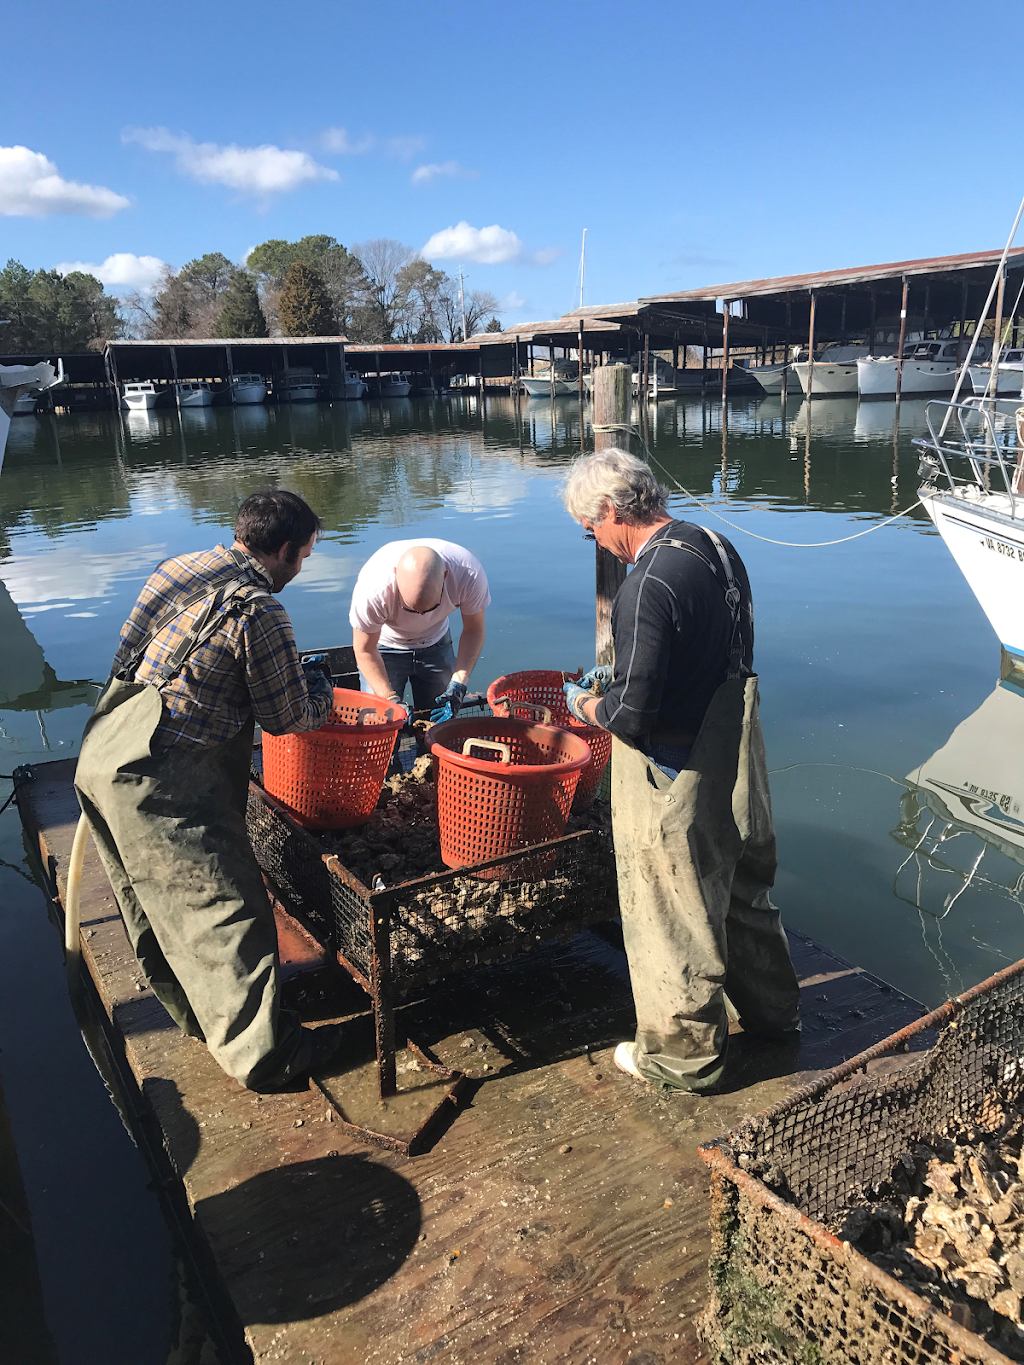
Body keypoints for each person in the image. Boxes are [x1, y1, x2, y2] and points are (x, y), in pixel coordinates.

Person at [74, 489, 346, 1092]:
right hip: (162, 782)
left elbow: (127, 655)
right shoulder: (261, 611)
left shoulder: (180, 567)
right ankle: (266, 1057)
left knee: (149, 902)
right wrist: (320, 690)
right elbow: (285, 718)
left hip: (105, 750)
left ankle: (201, 1017)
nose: (301, 568)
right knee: (227, 908)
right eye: (303, 555)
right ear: (283, 549)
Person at [559, 448, 800, 1092]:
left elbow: (632, 716)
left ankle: (680, 1058)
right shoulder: (713, 547)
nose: (595, 540)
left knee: (672, 913)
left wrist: (584, 703)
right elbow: (712, 651)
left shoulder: (645, 585)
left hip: (674, 773)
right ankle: (776, 1015)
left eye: (590, 528)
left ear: (611, 511)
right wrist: (626, 673)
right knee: (744, 890)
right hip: (737, 758)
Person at [350, 539, 489, 721]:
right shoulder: (373, 589)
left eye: (431, 608)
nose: (420, 616)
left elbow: (474, 629)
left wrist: (459, 681)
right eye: (409, 608)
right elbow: (364, 649)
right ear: (395, 574)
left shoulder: (468, 575)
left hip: (436, 642)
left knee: (439, 718)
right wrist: (389, 698)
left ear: (445, 576)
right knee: (379, 719)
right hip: (382, 647)